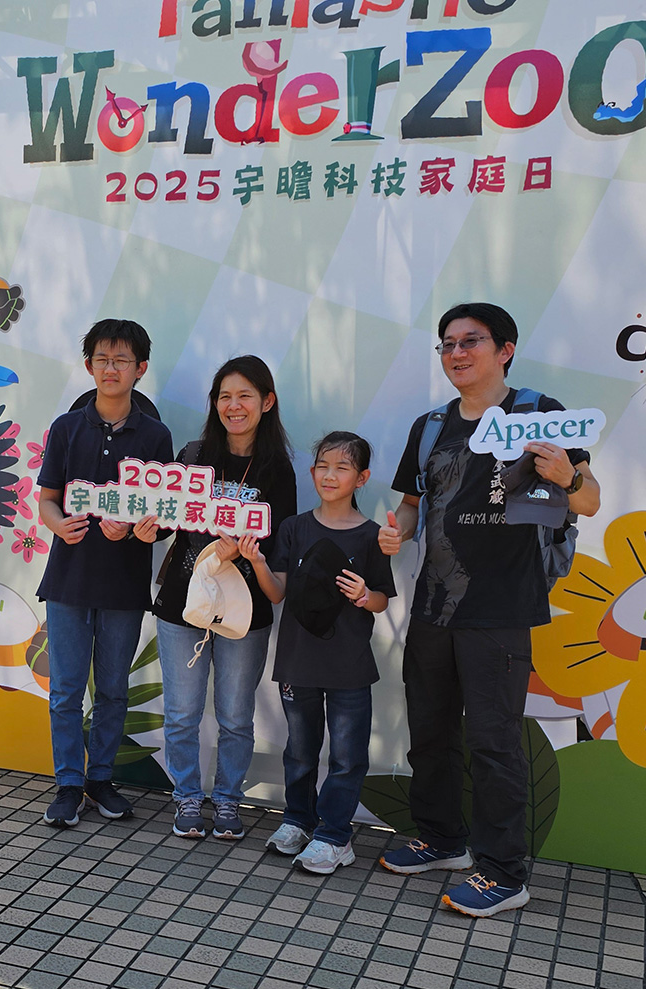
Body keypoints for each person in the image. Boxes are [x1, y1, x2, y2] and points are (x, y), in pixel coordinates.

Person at [378, 302, 600, 916]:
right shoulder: (430, 425)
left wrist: (567, 475)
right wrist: (395, 529)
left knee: (495, 741)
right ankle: (441, 839)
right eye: (447, 343)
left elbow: (590, 501)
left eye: (470, 342)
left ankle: (504, 871)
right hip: (433, 603)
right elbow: (409, 504)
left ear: (505, 349)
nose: (456, 353)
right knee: (430, 729)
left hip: (502, 606)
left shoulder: (541, 414)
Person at [36, 318, 173, 828]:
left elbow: (162, 521)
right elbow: (47, 501)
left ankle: (101, 780)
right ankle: (69, 784)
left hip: (124, 583)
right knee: (67, 689)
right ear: (88, 364)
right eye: (101, 358)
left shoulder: (156, 436)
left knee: (113, 688)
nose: (110, 368)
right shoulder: (66, 429)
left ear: (140, 369)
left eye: (122, 360)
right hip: (69, 578)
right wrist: (61, 527)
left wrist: (139, 529)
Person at [153, 355, 296, 839]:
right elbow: (161, 525)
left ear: (267, 402)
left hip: (246, 610)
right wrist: (144, 526)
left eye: (245, 396)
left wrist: (248, 553)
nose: (233, 406)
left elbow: (280, 549)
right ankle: (188, 798)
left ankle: (228, 800)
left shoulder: (279, 469)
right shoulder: (192, 455)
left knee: (236, 714)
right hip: (183, 603)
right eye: (224, 396)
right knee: (182, 712)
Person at [248, 432, 395, 872]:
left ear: (361, 477)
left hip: (350, 664)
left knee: (348, 756)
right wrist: (256, 561)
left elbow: (384, 598)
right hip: (298, 659)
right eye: (322, 466)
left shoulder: (372, 536)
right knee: (299, 749)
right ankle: (297, 820)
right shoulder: (293, 527)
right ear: (312, 472)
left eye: (342, 467)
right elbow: (276, 593)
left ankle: (335, 835)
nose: (329, 475)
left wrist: (365, 595)